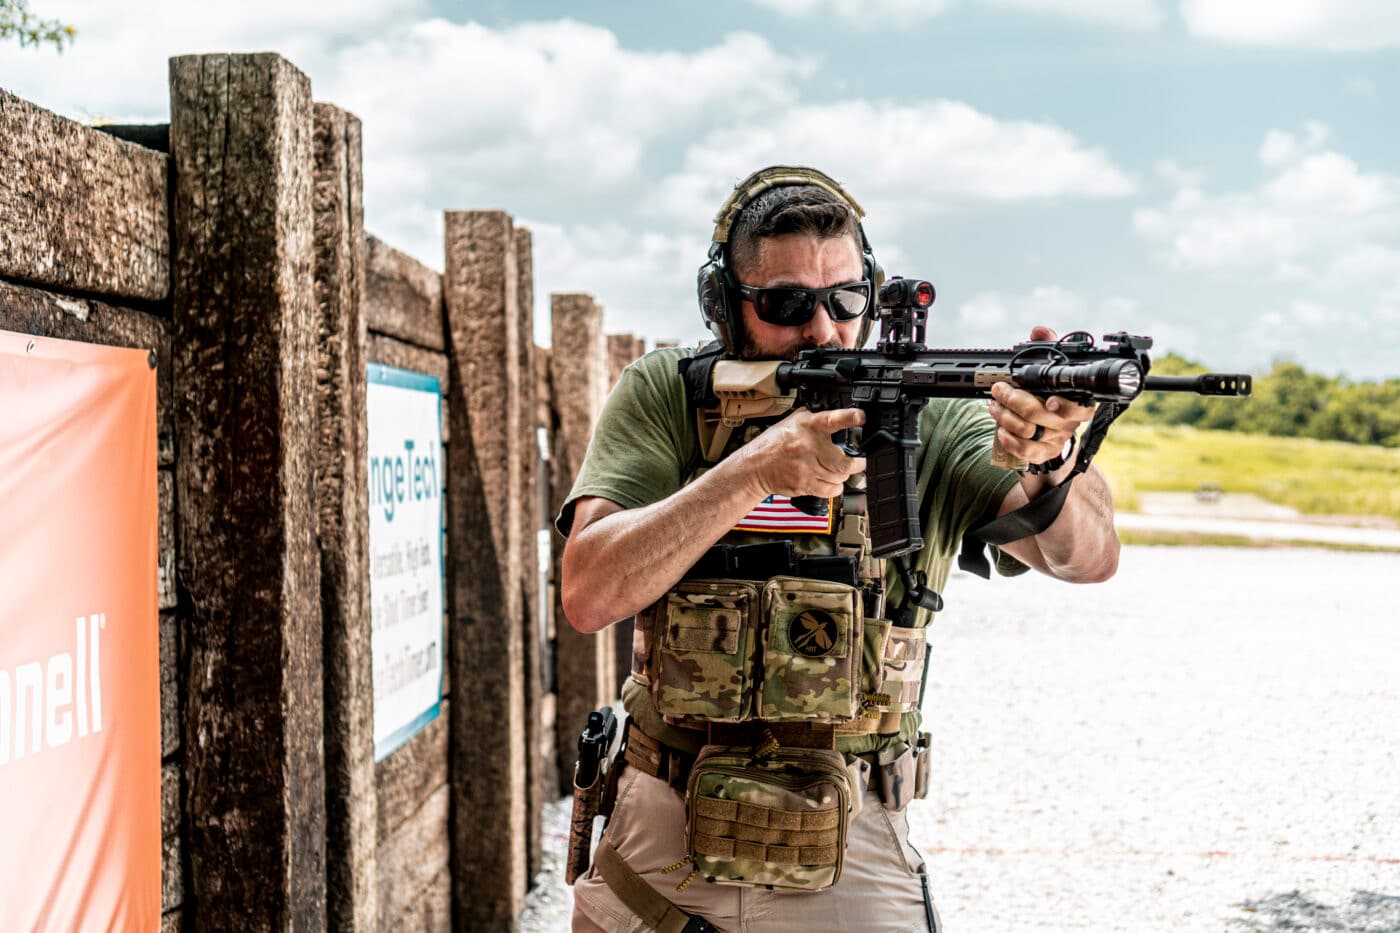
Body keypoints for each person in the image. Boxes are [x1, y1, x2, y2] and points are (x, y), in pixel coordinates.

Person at [558, 166, 1119, 932]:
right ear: (725, 306)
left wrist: (1052, 456)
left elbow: (1084, 559)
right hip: (666, 821)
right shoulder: (670, 394)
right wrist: (751, 472)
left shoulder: (922, 409)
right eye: (786, 305)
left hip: (853, 830)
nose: (823, 330)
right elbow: (589, 590)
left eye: (845, 299)